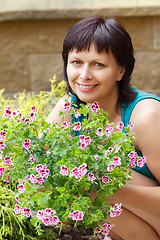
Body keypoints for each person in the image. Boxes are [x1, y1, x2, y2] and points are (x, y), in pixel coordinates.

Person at [46, 15, 160, 239]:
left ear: (121, 71)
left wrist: (108, 190)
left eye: (98, 64)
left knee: (100, 172)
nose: (85, 75)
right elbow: (34, 170)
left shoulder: (145, 116)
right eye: (77, 62)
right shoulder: (68, 110)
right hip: (129, 227)